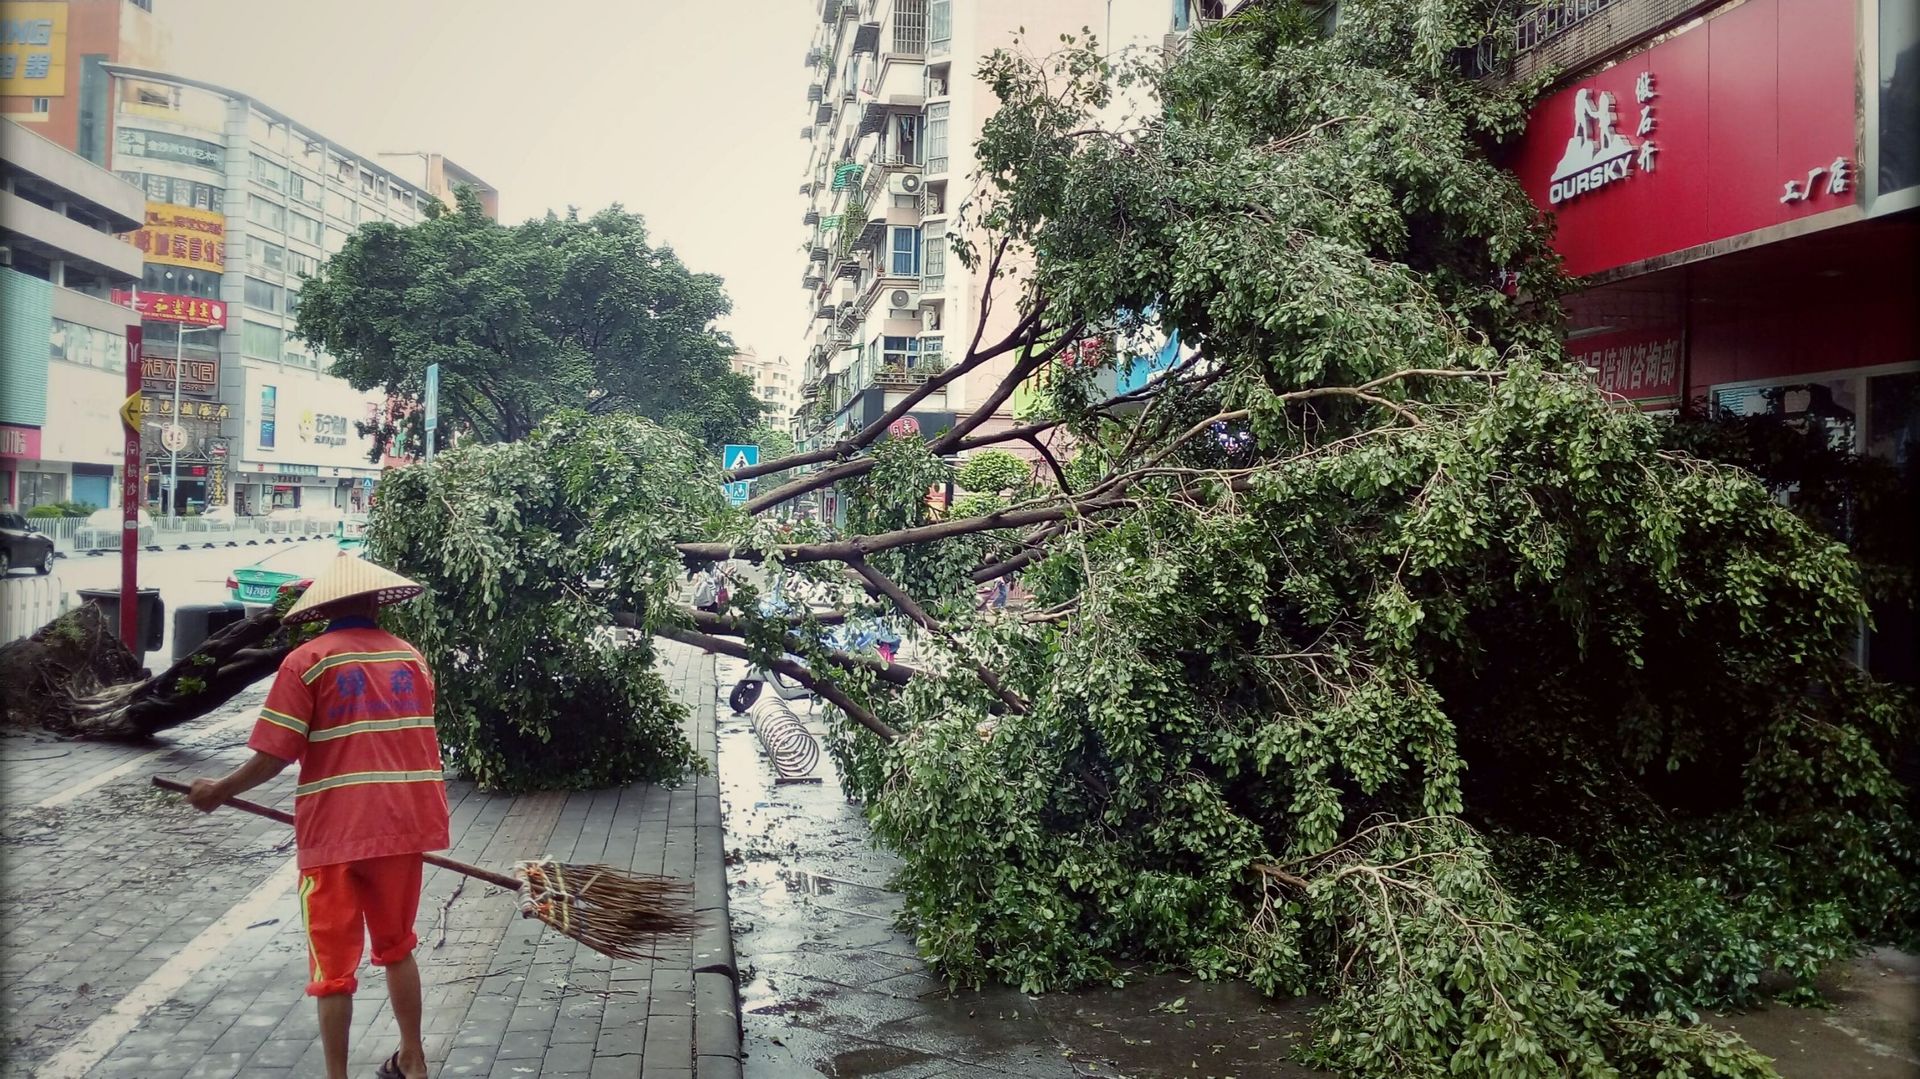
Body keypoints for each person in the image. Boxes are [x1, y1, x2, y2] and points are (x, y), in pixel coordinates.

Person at [188, 555, 448, 1079]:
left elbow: (275, 753)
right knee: (398, 946)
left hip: (336, 833)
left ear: (325, 608)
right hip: (404, 824)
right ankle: (413, 1061)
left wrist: (220, 789)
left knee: (332, 970)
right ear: (376, 601)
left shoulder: (308, 660)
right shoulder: (411, 659)